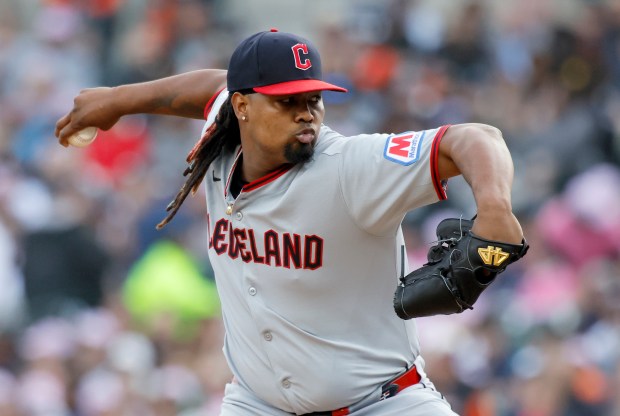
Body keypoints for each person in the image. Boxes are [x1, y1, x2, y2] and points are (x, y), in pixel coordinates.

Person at [55, 29, 524, 416]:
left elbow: (476, 138)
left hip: (381, 404)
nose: (306, 112)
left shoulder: (349, 168)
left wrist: (495, 211)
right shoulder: (222, 137)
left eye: (313, 98)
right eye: (286, 101)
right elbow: (210, 87)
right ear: (241, 108)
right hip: (257, 405)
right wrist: (118, 99)